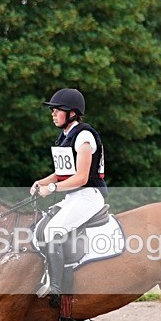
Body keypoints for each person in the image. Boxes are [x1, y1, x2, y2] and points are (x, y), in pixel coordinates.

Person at [31, 88, 107, 304]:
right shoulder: (66, 136)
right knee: (41, 227)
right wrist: (42, 182)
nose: (53, 114)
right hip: (73, 197)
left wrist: (51, 188)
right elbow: (63, 173)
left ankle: (56, 288)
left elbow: (81, 177)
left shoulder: (84, 136)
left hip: (89, 196)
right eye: (53, 110)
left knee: (53, 231)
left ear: (72, 113)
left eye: (57, 110)